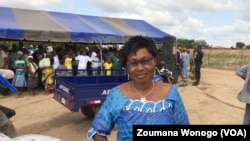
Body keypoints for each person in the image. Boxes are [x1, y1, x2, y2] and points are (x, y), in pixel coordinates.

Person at [87, 35, 189, 141]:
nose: (140, 68)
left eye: (145, 61)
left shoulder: (171, 93)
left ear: (155, 61)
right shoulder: (117, 95)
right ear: (126, 67)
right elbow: (97, 131)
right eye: (133, 63)